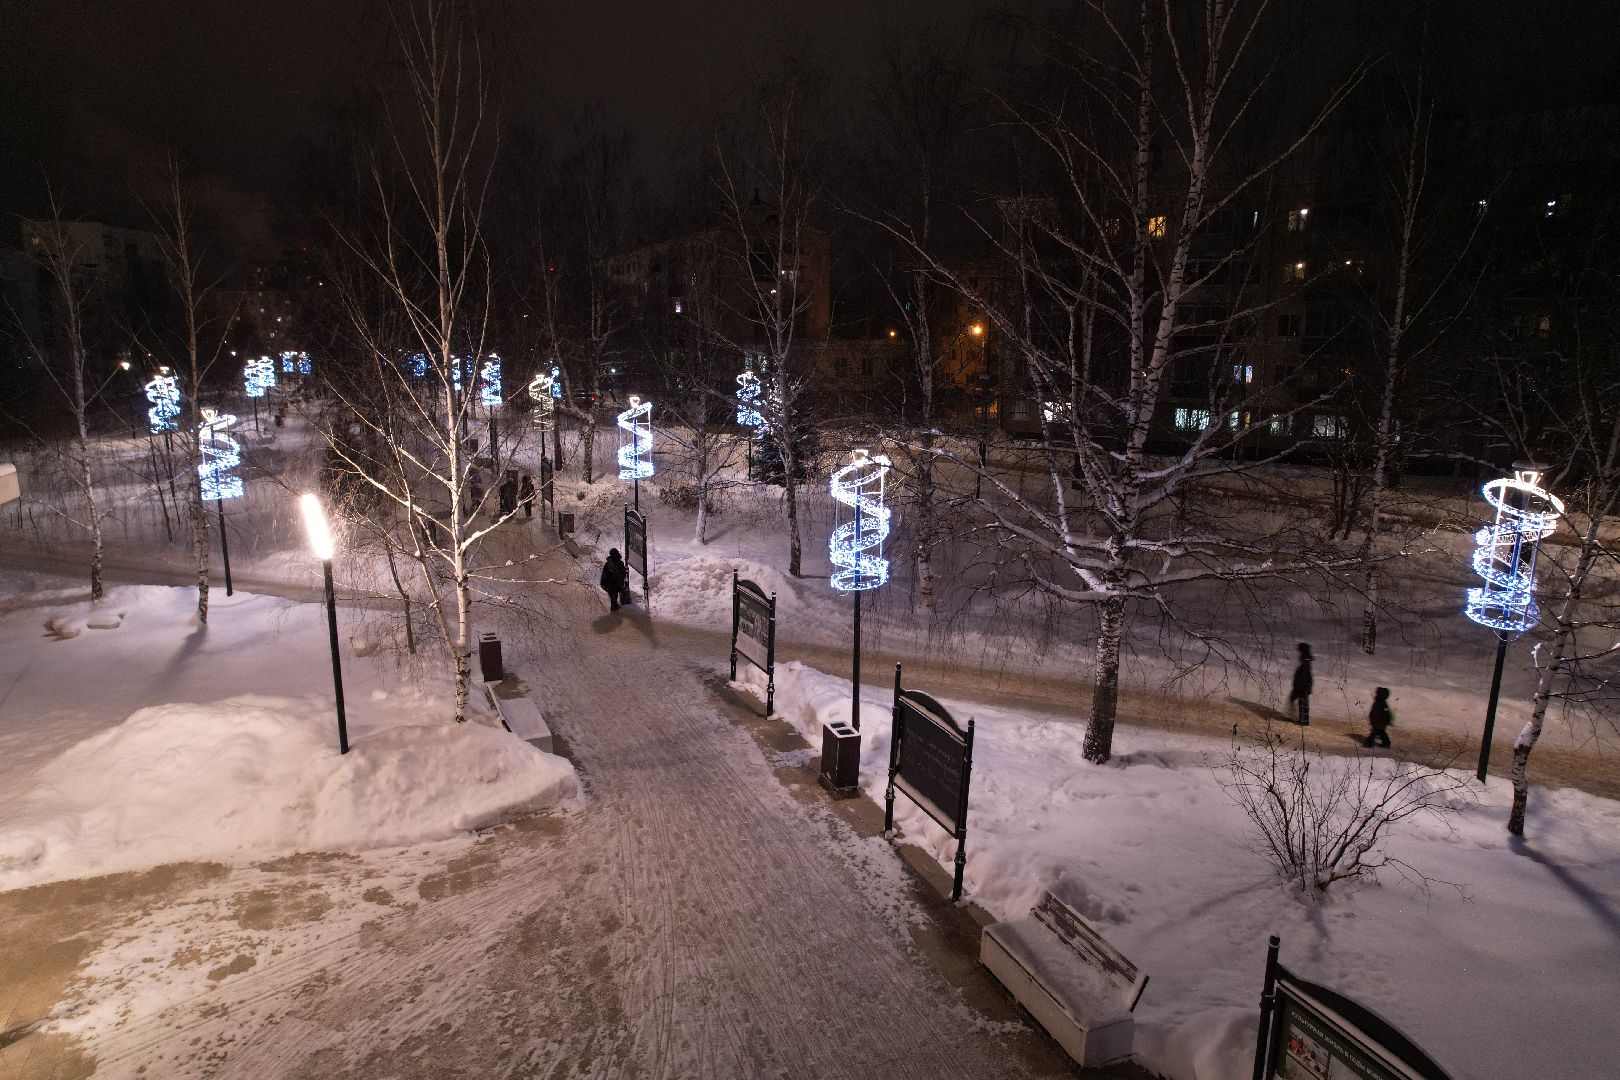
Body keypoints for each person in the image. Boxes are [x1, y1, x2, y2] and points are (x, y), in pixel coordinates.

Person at [1288, 642, 1313, 725]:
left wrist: (1300, 687)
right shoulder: (1305, 660)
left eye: (1299, 650)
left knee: (1301, 702)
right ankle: (1302, 719)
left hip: (1302, 687)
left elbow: (1304, 675)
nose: (1297, 652)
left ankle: (1303, 720)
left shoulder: (1305, 661)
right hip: (1303, 686)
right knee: (1300, 701)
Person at [600, 548, 628, 613]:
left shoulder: (608, 564)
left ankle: (614, 607)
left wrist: (604, 582)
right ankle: (614, 609)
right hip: (616, 583)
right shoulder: (620, 563)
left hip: (609, 584)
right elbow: (623, 573)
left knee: (613, 596)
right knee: (614, 596)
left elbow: (605, 573)